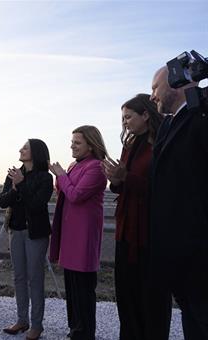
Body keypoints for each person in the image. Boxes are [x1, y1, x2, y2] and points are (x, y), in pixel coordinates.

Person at [147, 66, 208, 340]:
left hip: (198, 253)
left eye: (155, 88)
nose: (152, 97)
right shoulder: (170, 125)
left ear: (176, 82)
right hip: (177, 254)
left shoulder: (200, 117)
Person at [103, 94, 166, 340]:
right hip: (126, 230)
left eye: (129, 116)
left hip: (150, 233)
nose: (125, 122)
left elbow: (162, 188)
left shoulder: (161, 144)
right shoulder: (130, 145)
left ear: (146, 115)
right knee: (126, 295)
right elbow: (123, 184)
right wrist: (116, 180)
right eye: (123, 117)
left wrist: (126, 177)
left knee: (149, 297)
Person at [49, 125, 107, 340]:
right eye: (72, 141)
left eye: (77, 142)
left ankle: (85, 333)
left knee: (83, 289)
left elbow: (75, 194)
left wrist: (62, 175)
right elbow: (63, 190)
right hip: (70, 234)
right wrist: (61, 176)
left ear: (91, 145)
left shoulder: (96, 167)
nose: (71, 146)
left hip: (83, 236)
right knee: (72, 288)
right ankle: (75, 328)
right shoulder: (76, 164)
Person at [0, 139, 53, 340]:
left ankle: (37, 325)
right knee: (19, 277)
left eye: (26, 147)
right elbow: (1, 202)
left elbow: (37, 205)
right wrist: (13, 188)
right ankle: (22, 320)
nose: (20, 149)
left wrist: (21, 184)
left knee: (35, 278)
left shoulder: (45, 178)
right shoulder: (13, 174)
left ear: (36, 152)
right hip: (15, 230)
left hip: (35, 233)